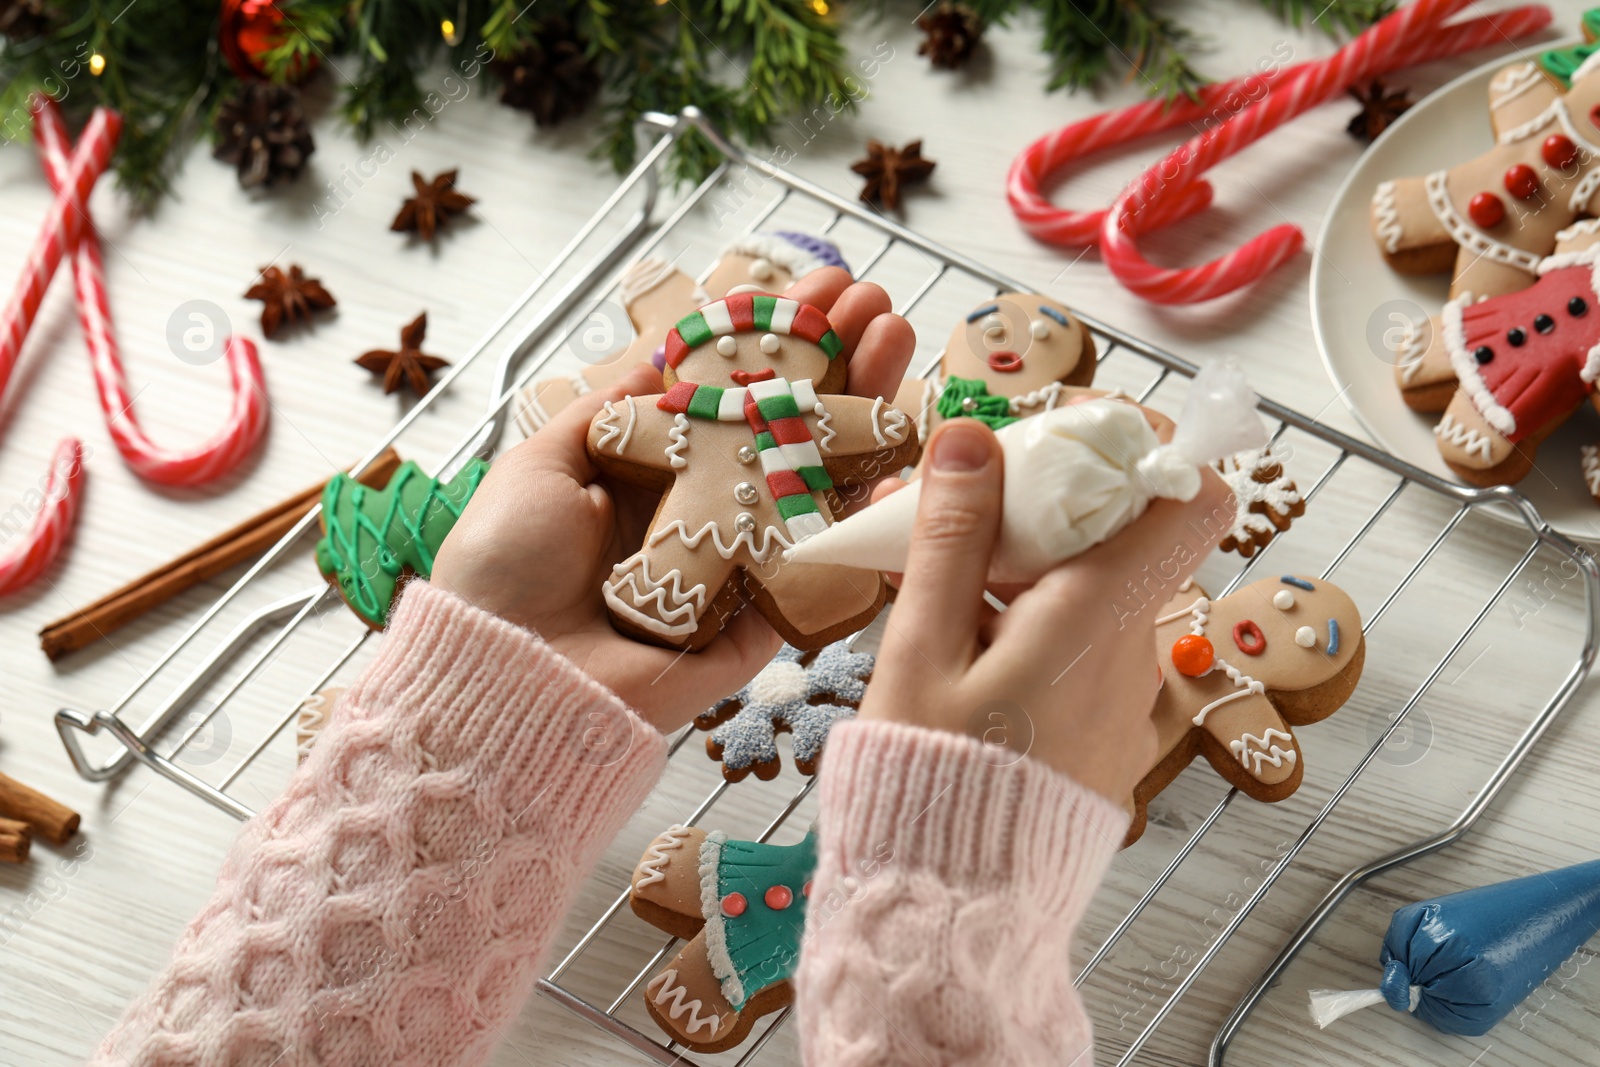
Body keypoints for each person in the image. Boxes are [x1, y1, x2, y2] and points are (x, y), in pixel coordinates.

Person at [84, 269, 1228, 1066]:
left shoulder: (804, 417)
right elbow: (642, 435)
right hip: (678, 550)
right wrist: (960, 898)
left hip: (764, 543)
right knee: (706, 563)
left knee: (802, 570)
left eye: (765, 348)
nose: (750, 357)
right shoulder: (678, 423)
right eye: (727, 347)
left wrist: (492, 711)